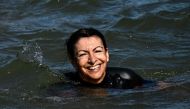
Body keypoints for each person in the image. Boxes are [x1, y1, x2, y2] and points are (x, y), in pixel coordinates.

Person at [65, 28, 152, 89]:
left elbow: (160, 88)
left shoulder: (127, 78)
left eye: (97, 51)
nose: (92, 60)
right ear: (72, 61)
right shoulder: (67, 89)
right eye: (83, 54)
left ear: (106, 54)